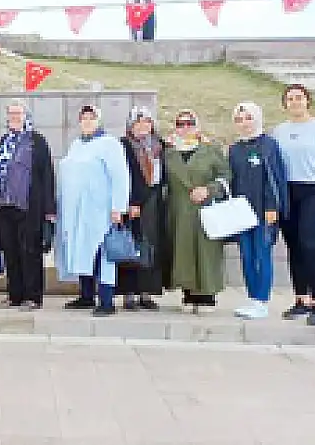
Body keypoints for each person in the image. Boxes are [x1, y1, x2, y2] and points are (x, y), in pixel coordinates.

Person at [271, 84, 315, 327]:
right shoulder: (279, 131)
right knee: (294, 246)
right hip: (288, 191)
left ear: (308, 101)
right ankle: (300, 299)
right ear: (285, 104)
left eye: (299, 98)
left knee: (310, 245)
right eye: (290, 99)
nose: (295, 102)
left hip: (313, 190)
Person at [0, 99, 56, 311]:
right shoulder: (4, 140)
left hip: (28, 207)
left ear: (27, 116)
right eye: (11, 114)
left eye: (18, 113)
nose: (14, 117)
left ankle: (33, 297)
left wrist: (49, 209)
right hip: (4, 205)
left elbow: (47, 175)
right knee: (10, 251)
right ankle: (15, 294)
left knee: (29, 252)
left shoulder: (36, 141)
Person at [59, 105, 131, 317]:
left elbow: (120, 176)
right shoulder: (76, 145)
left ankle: (107, 300)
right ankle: (86, 295)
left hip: (101, 210)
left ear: (99, 120)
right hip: (77, 211)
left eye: (92, 118)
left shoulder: (109, 144)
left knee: (102, 253)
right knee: (82, 250)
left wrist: (119, 207)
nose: (87, 121)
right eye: (84, 118)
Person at [163, 109, 231, 314]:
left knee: (206, 252)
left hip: (205, 209)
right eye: (180, 124)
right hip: (178, 209)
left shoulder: (211, 150)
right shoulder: (169, 152)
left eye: (189, 123)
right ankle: (188, 292)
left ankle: (207, 295)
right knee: (183, 252)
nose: (185, 128)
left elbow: (225, 176)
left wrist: (209, 190)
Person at [228, 102, 288, 320]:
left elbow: (274, 179)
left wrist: (273, 207)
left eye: (248, 118)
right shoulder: (234, 149)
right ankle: (252, 297)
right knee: (246, 255)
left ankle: (261, 300)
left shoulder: (269, 145)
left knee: (262, 255)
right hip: (241, 212)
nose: (244, 123)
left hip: (264, 211)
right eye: (239, 119)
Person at [115, 107, 169, 310]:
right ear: (131, 125)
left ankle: (146, 292)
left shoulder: (159, 145)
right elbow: (124, 175)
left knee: (151, 246)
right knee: (131, 245)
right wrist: (131, 201)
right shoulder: (124, 145)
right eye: (138, 122)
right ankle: (129, 293)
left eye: (147, 121)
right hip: (134, 202)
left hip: (155, 201)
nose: (143, 126)